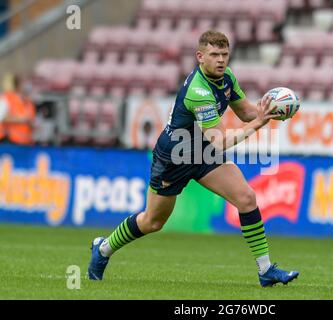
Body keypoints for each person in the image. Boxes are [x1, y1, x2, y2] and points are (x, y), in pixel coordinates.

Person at [87, 30, 299, 287]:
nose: (221, 60)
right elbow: (220, 141)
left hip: (202, 151)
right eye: (214, 55)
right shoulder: (198, 92)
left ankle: (266, 271)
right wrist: (258, 125)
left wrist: (271, 109)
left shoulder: (227, 77)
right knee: (153, 221)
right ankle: (103, 249)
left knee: (246, 198)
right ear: (200, 57)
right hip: (174, 157)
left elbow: (246, 112)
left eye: (224, 54)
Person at [0, 76, 36, 145]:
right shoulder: (7, 98)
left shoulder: (30, 103)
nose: (28, 85)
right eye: (25, 82)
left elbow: (31, 121)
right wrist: (21, 120)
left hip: (25, 143)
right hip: (8, 142)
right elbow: (2, 117)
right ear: (19, 85)